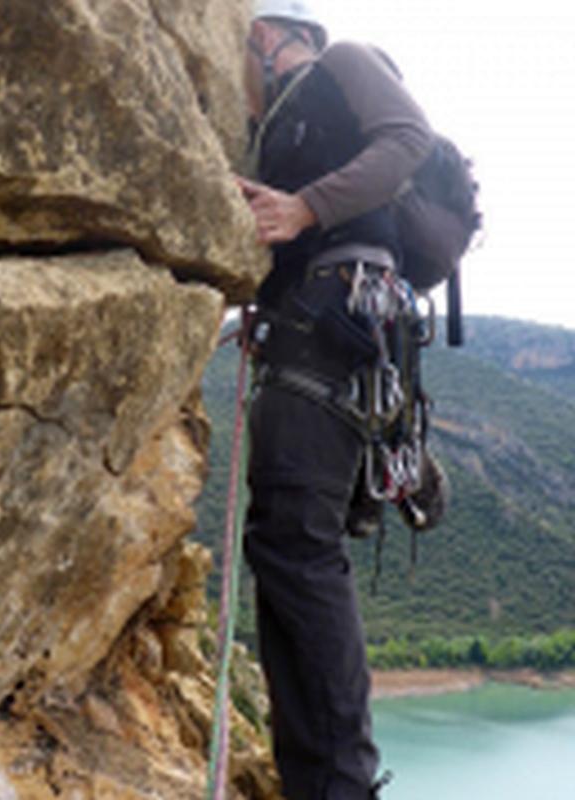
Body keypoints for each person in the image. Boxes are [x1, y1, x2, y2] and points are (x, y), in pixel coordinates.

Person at [237, 2, 434, 798]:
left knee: (298, 544)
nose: (249, 58)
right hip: (316, 327)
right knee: (281, 542)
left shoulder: (345, 61)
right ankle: (315, 776)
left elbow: (408, 139)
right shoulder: (281, 130)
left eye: (254, 42)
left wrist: (305, 208)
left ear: (280, 36)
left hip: (339, 320)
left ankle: (337, 784)